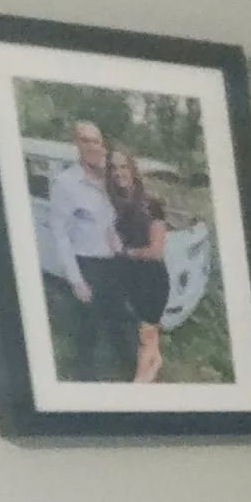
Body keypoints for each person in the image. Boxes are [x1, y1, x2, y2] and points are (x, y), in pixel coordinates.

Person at [44, 119, 132, 379]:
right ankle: (83, 376)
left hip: (114, 263)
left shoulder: (113, 177)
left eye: (97, 140)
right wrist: (76, 280)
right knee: (88, 324)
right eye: (86, 140)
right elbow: (60, 234)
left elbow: (127, 213)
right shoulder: (65, 183)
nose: (94, 146)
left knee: (120, 317)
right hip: (87, 264)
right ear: (77, 145)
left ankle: (129, 368)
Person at [103, 144, 171, 383]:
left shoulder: (151, 205)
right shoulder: (115, 203)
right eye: (113, 167)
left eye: (124, 166)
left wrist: (125, 251)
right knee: (147, 333)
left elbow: (155, 250)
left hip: (152, 280)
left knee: (145, 334)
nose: (119, 172)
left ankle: (139, 384)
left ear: (133, 169)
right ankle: (156, 360)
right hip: (130, 277)